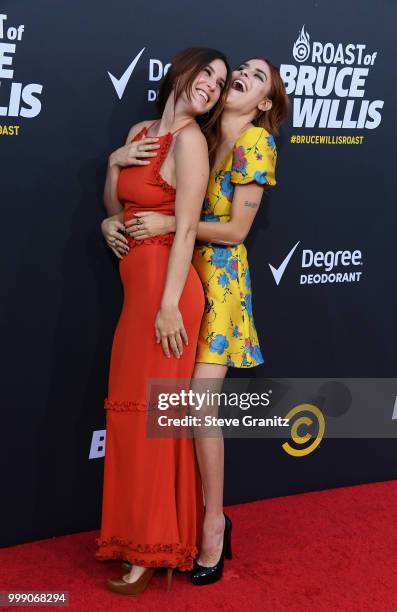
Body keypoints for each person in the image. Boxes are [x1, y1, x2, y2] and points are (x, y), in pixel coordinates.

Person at [102, 56, 289, 586]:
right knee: (172, 413)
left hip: (221, 288)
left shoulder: (256, 144)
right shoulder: (203, 137)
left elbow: (234, 233)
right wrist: (119, 203)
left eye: (256, 78)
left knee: (198, 411)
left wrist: (172, 221)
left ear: (266, 103)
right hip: (185, 277)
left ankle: (212, 527)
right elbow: (150, 193)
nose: (239, 78)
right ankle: (173, 528)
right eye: (242, 70)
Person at [96, 47, 230, 596]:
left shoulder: (193, 142)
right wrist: (112, 181)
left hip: (166, 294)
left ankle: (151, 551)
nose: (213, 87)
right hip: (138, 290)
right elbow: (116, 204)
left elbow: (186, 225)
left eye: (221, 85)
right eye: (208, 75)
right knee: (133, 417)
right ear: (183, 70)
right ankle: (142, 541)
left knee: (154, 420)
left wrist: (172, 303)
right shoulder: (141, 129)